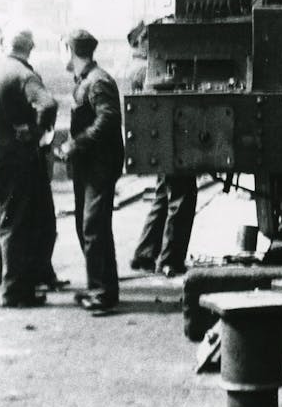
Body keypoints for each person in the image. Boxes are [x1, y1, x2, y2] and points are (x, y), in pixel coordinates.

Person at [0, 28, 57, 307]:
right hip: (8, 156)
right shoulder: (23, 75)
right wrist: (34, 132)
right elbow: (47, 104)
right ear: (29, 49)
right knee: (14, 222)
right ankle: (14, 291)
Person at [125, 21, 197, 277]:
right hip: (168, 141)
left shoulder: (136, 67)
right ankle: (169, 260)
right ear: (139, 43)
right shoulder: (143, 69)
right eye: (148, 38)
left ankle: (144, 254)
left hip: (162, 143)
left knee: (163, 197)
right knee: (181, 197)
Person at [60, 29, 124, 315]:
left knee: (94, 227)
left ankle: (103, 293)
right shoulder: (86, 80)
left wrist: (77, 143)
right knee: (87, 226)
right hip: (88, 164)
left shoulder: (98, 82)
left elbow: (108, 119)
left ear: (72, 51)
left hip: (99, 165)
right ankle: (97, 285)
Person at [130, 175, 198, 277]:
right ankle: (170, 260)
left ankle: (145, 254)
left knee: (164, 194)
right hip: (179, 159)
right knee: (182, 195)